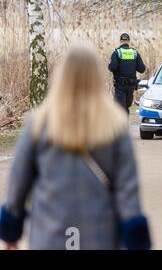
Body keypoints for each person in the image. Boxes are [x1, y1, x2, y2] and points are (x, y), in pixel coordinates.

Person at [0, 45, 151, 250]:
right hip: (101, 237)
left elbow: (17, 185)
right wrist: (136, 240)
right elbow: (127, 192)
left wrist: (10, 234)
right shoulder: (115, 126)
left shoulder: (39, 123)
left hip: (49, 237)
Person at [108, 33, 146, 115]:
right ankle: (123, 124)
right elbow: (142, 69)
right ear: (129, 41)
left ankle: (122, 125)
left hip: (120, 85)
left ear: (120, 41)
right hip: (131, 86)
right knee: (126, 106)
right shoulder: (134, 53)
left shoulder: (117, 53)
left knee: (120, 107)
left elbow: (112, 67)